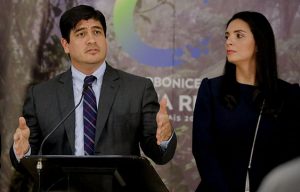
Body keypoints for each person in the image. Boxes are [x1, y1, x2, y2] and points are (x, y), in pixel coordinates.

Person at [10, 4, 176, 191]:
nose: (91, 40)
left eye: (97, 32)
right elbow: (24, 159)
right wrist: (23, 151)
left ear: (105, 39)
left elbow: (159, 154)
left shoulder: (138, 89)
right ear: (66, 45)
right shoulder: (40, 95)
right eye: (81, 34)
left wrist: (164, 138)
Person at [192, 11, 300, 192]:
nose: (229, 41)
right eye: (227, 36)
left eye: (238, 35)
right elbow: (203, 152)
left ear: (259, 44)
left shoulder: (290, 95)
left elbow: (292, 157)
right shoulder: (210, 90)